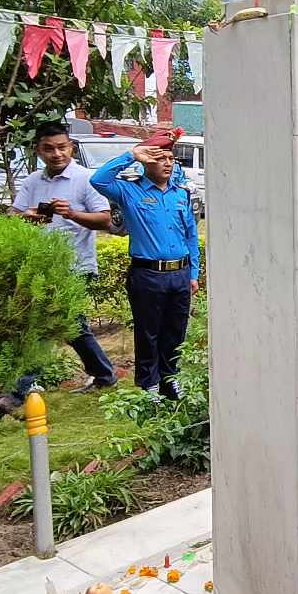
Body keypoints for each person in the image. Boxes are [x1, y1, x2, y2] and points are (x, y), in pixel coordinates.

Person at [0, 123, 119, 417]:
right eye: (49, 148)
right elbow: (14, 215)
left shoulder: (86, 179)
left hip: (76, 267)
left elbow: (105, 220)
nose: (56, 154)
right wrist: (27, 216)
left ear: (71, 148)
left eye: (62, 147)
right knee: (74, 328)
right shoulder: (33, 181)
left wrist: (71, 213)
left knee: (46, 326)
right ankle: (105, 375)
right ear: (39, 150)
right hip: (41, 266)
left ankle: (16, 392)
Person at [89, 128, 200, 401]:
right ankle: (149, 384)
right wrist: (131, 155)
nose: (167, 163)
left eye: (170, 158)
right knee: (148, 332)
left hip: (180, 273)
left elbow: (191, 236)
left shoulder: (180, 195)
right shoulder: (129, 191)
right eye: (159, 158)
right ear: (146, 161)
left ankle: (170, 379)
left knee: (176, 331)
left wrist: (193, 273)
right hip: (148, 274)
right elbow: (98, 180)